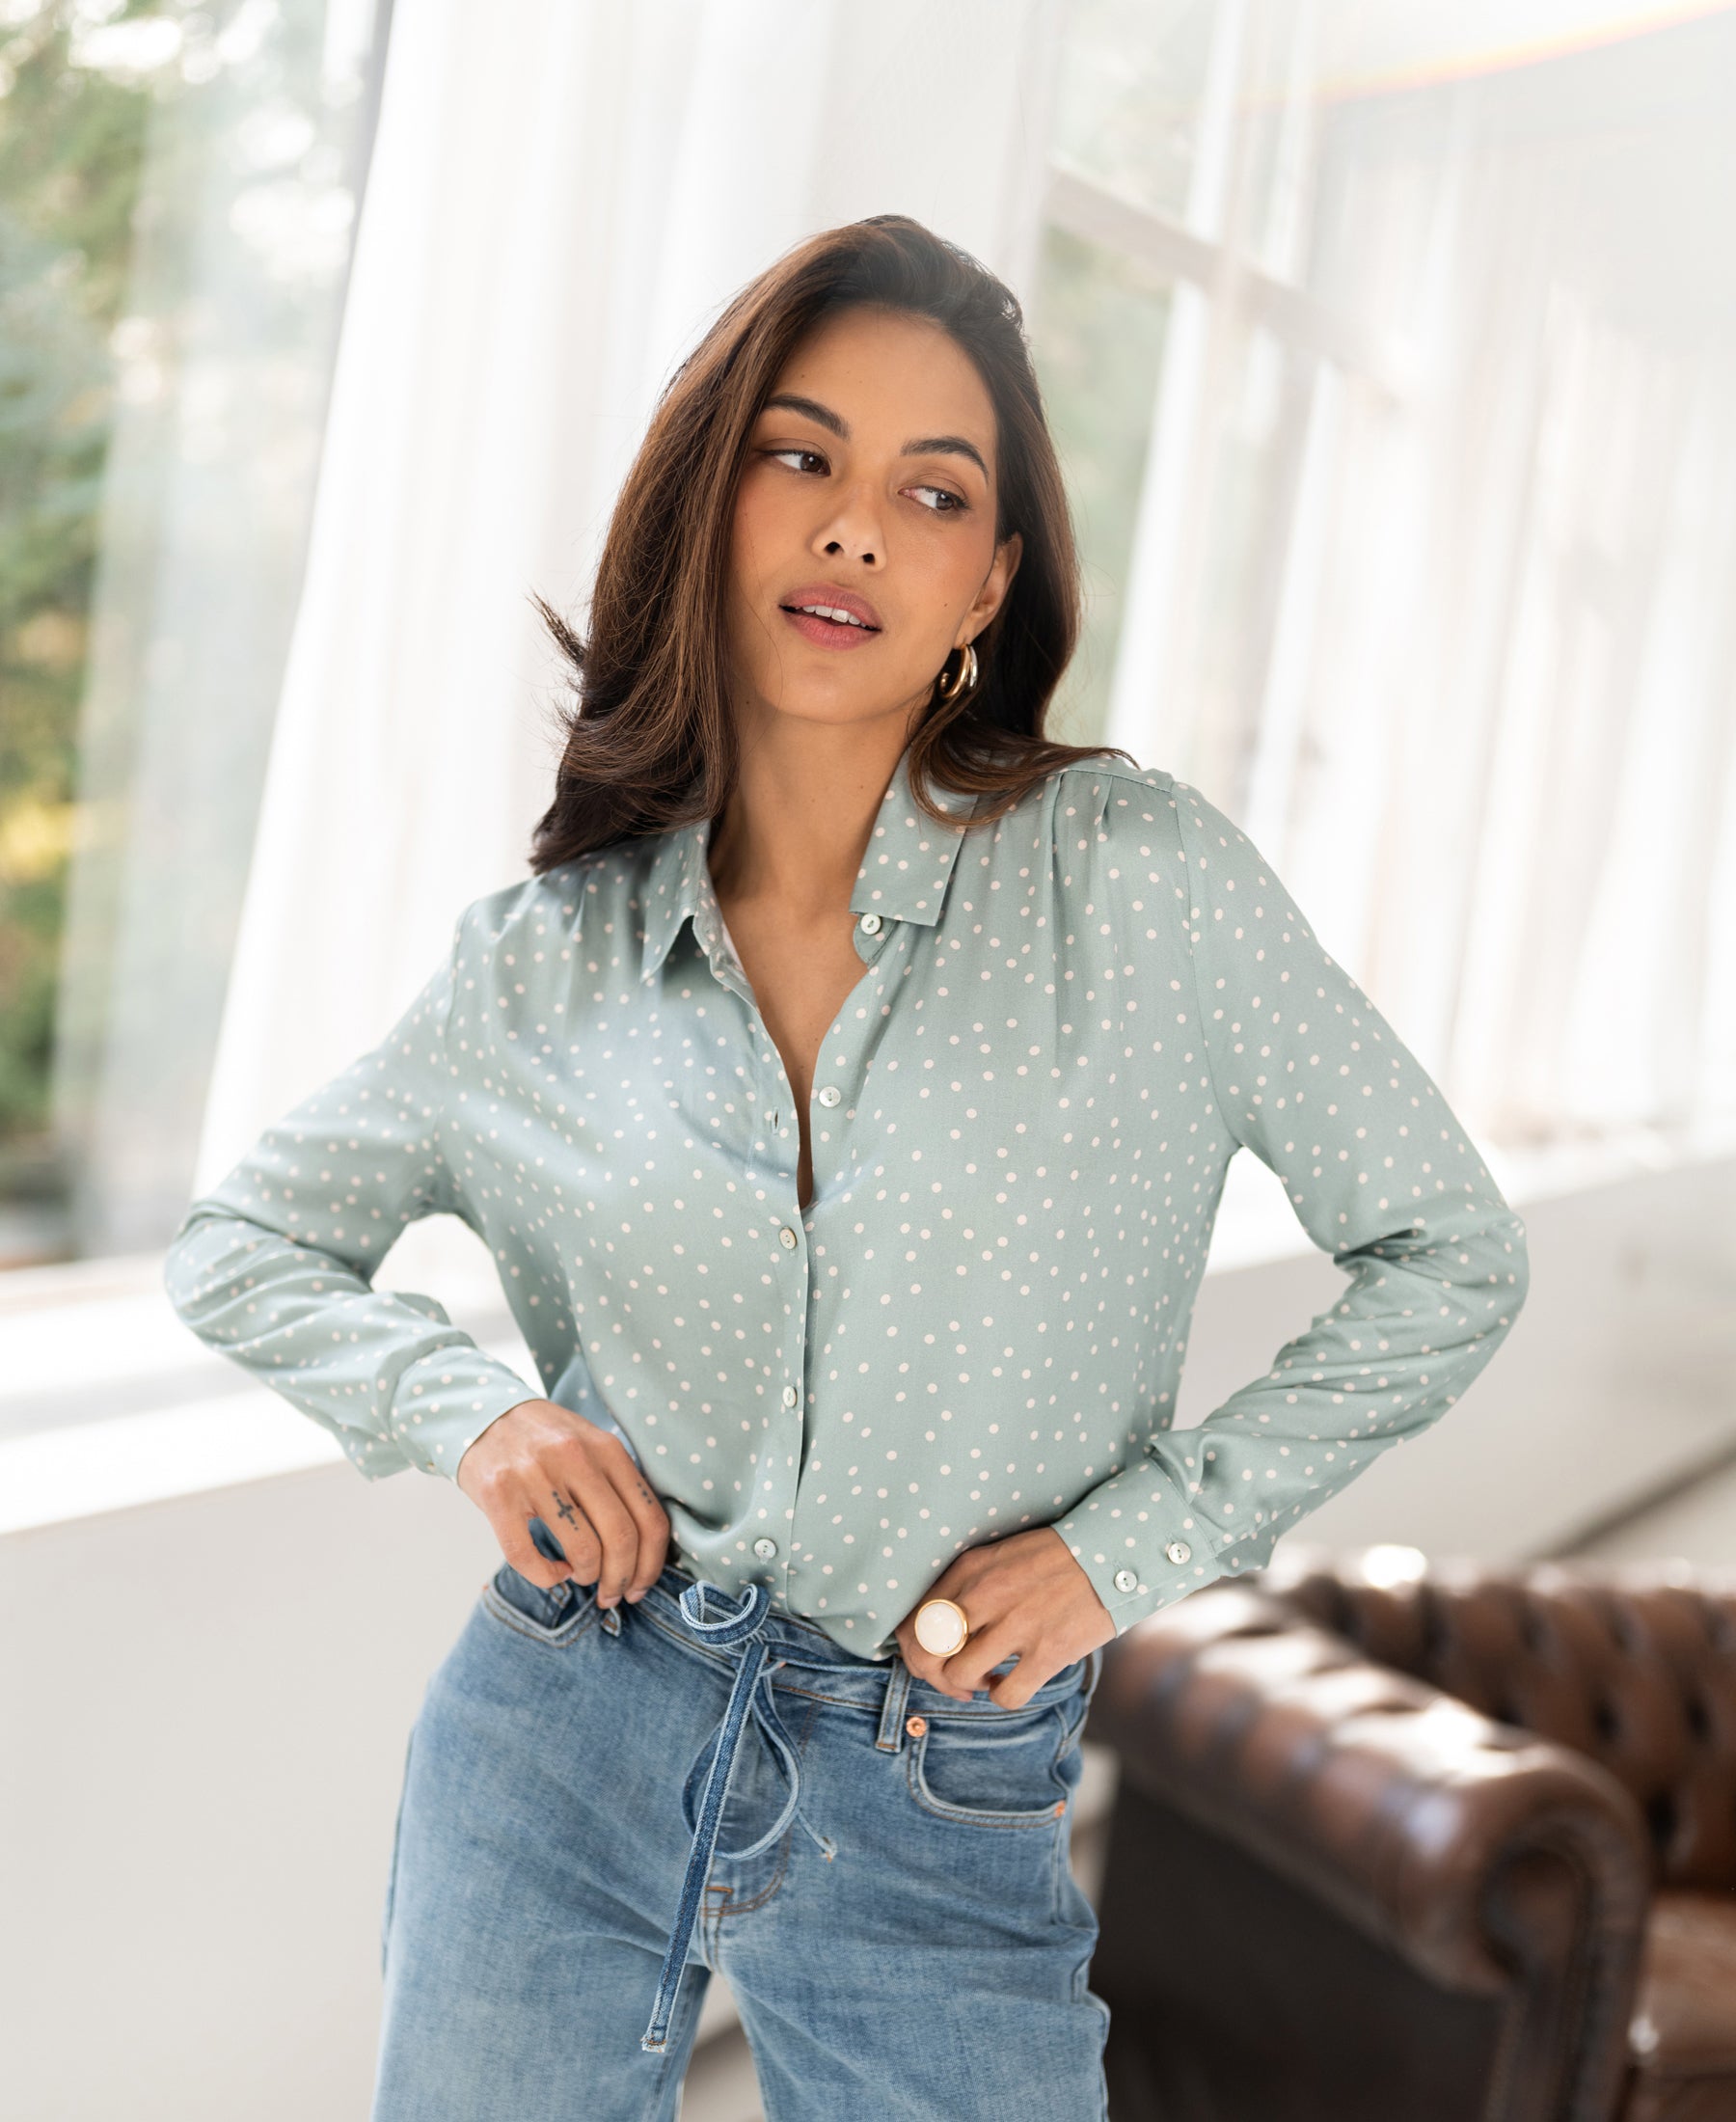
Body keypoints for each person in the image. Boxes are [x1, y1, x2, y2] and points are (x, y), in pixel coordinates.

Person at [163, 213, 1530, 2121]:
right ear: (712, 502)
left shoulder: (1139, 889)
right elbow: (241, 1241)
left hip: (944, 1770)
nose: (853, 524)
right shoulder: (544, 959)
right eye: (800, 456)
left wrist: (1128, 1545)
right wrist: (475, 1415)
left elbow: (1451, 1249)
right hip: (562, 1734)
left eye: (931, 486)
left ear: (992, 577)